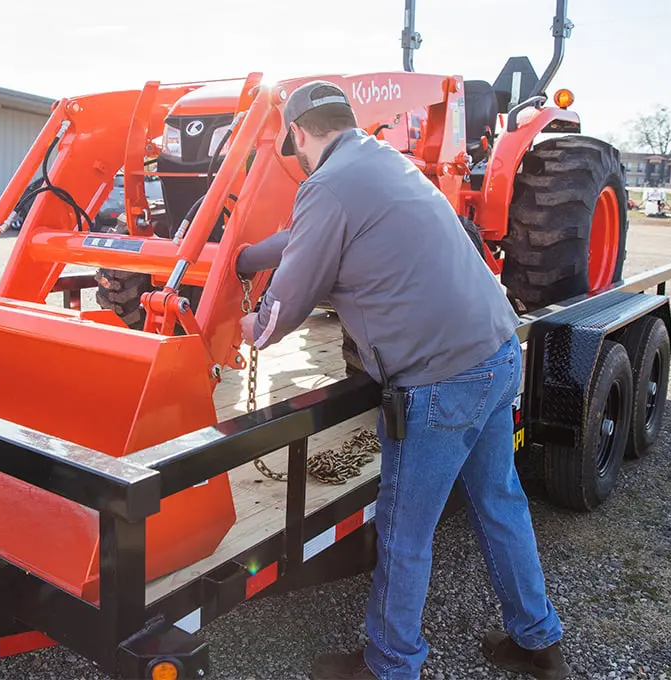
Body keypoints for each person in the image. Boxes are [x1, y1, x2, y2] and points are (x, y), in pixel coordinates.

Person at [235, 80, 570, 680]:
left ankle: (390, 664)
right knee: (500, 503)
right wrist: (248, 255)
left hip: (441, 380)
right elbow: (313, 237)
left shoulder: (328, 185)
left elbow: (288, 303)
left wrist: (252, 328)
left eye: (295, 146)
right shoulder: (381, 161)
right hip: (496, 354)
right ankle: (538, 640)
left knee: (403, 529)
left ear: (302, 134)